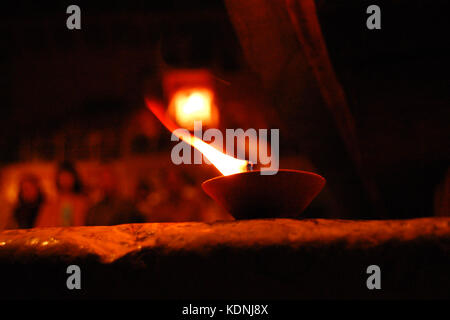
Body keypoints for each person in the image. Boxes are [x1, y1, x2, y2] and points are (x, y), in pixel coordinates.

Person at [35, 162, 88, 227]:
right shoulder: (50, 204)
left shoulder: (82, 202)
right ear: (58, 179)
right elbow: (41, 227)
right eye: (63, 177)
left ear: (74, 178)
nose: (65, 180)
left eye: (68, 177)